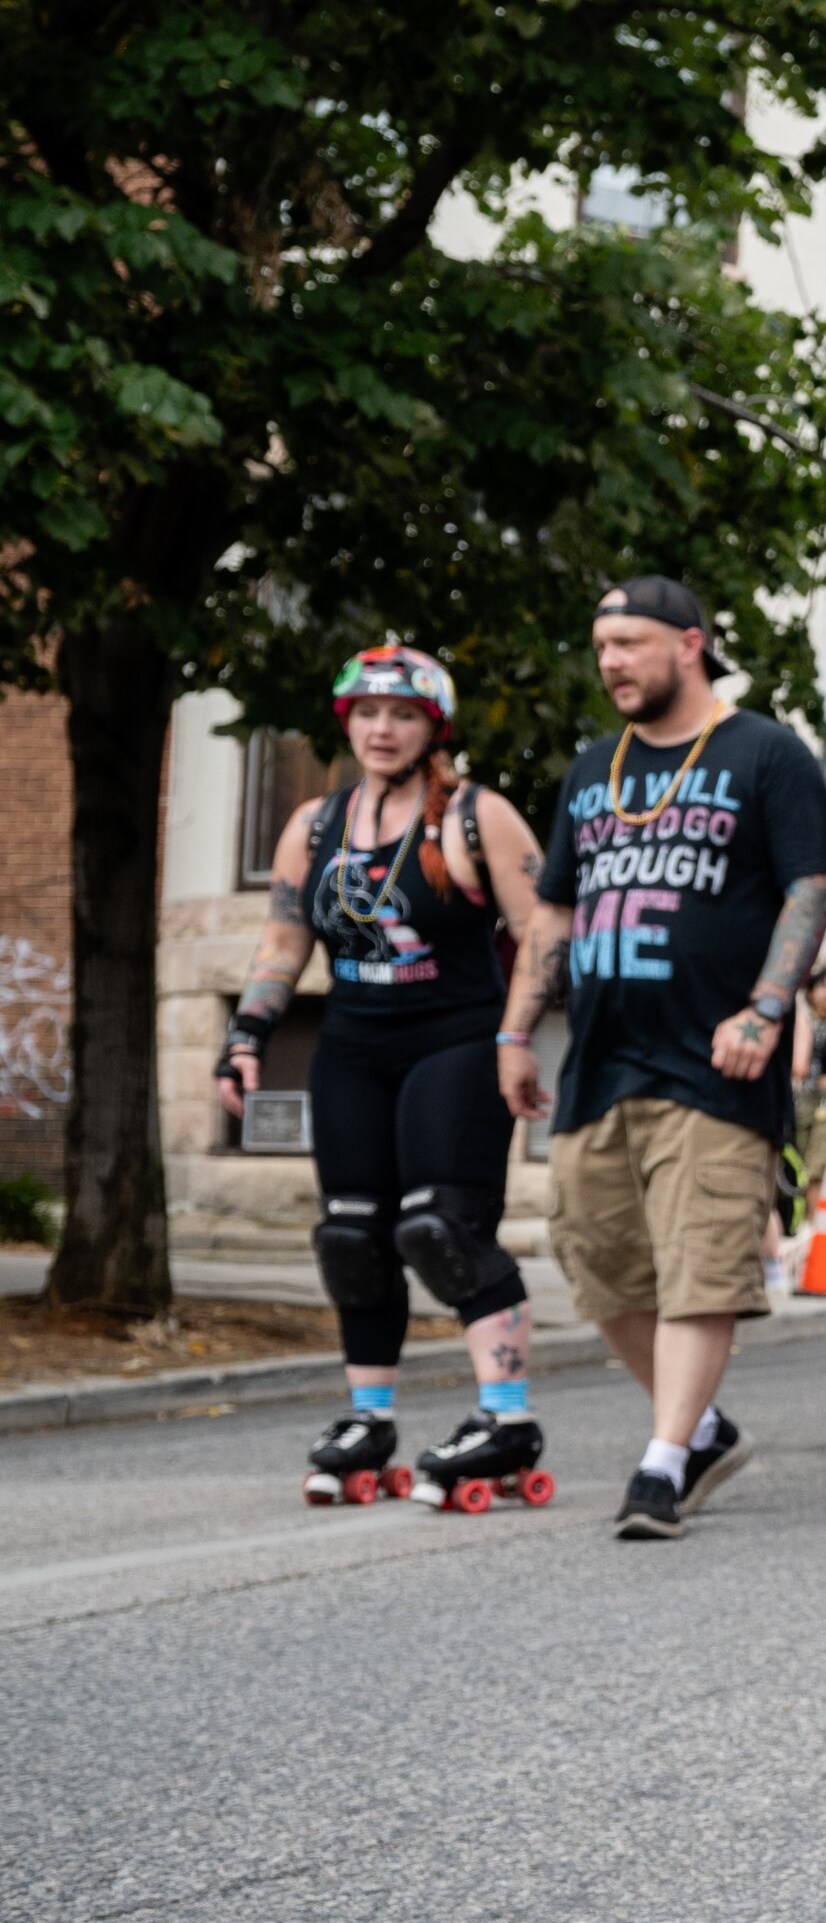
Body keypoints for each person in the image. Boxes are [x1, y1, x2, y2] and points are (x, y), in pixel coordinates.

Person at [509, 579, 826, 1542]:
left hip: (717, 1064)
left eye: (630, 641)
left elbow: (811, 884)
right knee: (604, 1269)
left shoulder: (765, 753)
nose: (611, 660)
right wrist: (514, 1030)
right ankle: (700, 1428)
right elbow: (553, 912)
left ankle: (661, 1465)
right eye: (602, 644)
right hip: (600, 1062)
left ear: (691, 644)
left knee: (702, 1268)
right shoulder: (592, 768)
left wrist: (767, 1008)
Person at [216, 647, 566, 1511]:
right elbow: (285, 941)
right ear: (348, 722)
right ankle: (369, 1418)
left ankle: (505, 1414)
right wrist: (248, 1034)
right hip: (353, 1047)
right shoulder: (317, 825)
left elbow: (543, 930)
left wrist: (517, 1037)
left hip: (457, 1042)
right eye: (367, 713)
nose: (382, 728)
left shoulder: (478, 817)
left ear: (431, 728)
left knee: (440, 1227)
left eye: (401, 714)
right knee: (350, 1232)